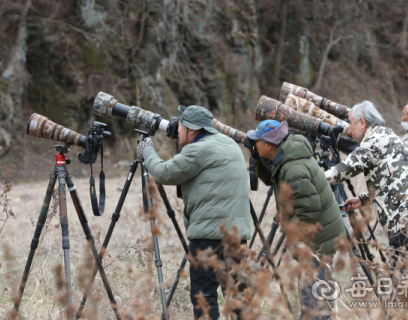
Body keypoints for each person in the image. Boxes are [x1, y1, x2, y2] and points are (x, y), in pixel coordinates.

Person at [137, 105, 251, 320]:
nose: (176, 128)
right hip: (237, 235)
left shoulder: (198, 150)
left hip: (209, 237)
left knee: (204, 295)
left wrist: (147, 151)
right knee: (237, 296)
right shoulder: (228, 143)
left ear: (191, 129)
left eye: (180, 125)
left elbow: (164, 173)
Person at [247, 120, 346, 320]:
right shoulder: (286, 155)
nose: (254, 143)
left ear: (268, 144)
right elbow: (271, 177)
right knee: (318, 296)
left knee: (313, 302)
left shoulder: (293, 168)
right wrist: (255, 157)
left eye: (257, 141)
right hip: (320, 233)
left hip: (319, 238)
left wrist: (292, 234)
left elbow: (309, 209)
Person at [324, 101, 408, 265]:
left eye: (350, 124)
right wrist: (364, 199)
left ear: (362, 122)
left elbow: (341, 171)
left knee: (404, 280)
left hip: (404, 224)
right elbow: (394, 180)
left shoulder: (373, 142)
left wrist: (309, 177)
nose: (349, 130)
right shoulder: (389, 136)